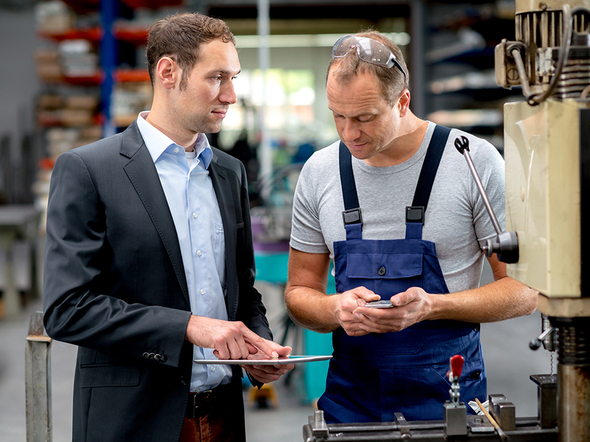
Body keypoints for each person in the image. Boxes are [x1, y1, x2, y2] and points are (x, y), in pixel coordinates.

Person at [42, 12, 293, 442]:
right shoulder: (88, 170)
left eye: (233, 78)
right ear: (168, 72)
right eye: (217, 78)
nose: (230, 95)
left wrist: (257, 345)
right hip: (134, 420)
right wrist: (189, 327)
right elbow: (68, 309)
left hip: (222, 415)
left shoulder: (229, 173)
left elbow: (242, 290)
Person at [285, 31, 538, 424]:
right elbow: (300, 293)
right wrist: (334, 308)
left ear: (402, 102)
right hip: (351, 402)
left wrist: (433, 306)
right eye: (338, 115)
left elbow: (524, 291)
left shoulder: (471, 161)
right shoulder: (320, 172)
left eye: (365, 118)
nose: (349, 133)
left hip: (449, 401)